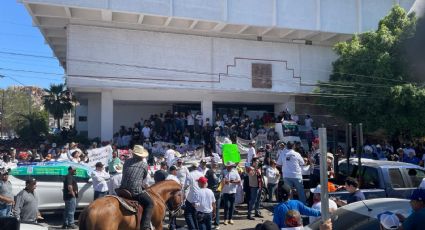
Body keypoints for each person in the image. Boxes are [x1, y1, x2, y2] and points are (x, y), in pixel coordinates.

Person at [119, 145, 153, 230]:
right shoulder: (144, 165)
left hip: (122, 189)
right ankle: (145, 226)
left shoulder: (126, 162)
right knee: (150, 203)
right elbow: (144, 177)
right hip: (135, 191)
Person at [184, 162, 204, 230]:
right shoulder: (201, 174)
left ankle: (192, 228)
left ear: (192, 167)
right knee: (196, 214)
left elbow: (186, 186)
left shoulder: (189, 174)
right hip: (199, 196)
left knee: (188, 214)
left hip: (191, 197)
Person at [221, 161, 241, 225]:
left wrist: (233, 182)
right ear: (226, 166)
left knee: (232, 206)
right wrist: (224, 181)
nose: (229, 167)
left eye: (230, 166)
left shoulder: (235, 172)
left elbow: (239, 181)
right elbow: (220, 180)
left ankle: (230, 219)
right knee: (226, 206)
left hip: (233, 191)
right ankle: (225, 219)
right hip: (225, 191)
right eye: (228, 166)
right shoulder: (223, 172)